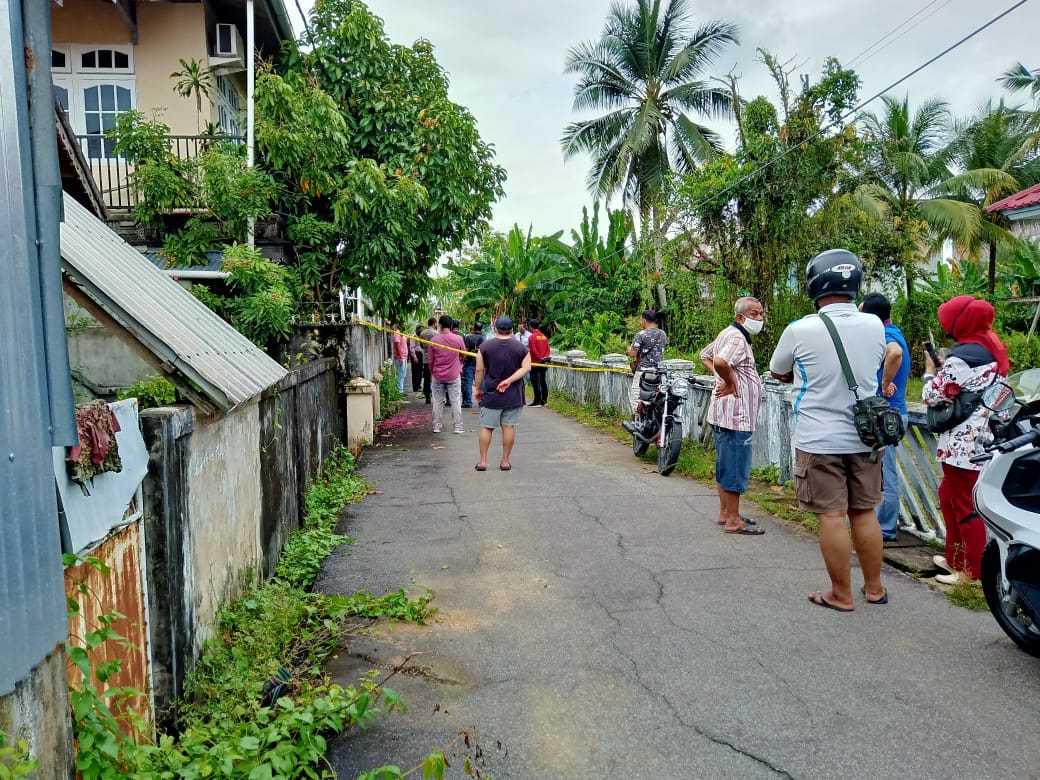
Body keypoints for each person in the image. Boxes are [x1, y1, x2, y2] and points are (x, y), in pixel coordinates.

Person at [769, 249, 888, 611]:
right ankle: (874, 589)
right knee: (864, 512)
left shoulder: (800, 329)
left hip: (819, 438)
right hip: (866, 437)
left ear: (815, 285)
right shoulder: (875, 325)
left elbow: (778, 370)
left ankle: (841, 594)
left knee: (832, 515)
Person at [923, 295, 1009, 585]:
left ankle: (972, 573)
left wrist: (930, 372)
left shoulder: (962, 357)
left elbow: (932, 394)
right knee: (949, 497)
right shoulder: (991, 347)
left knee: (964, 505)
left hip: (963, 443)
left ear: (959, 322)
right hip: (983, 436)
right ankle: (955, 558)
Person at [699, 297, 766, 536]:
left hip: (723, 413)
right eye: (754, 314)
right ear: (740, 317)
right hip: (736, 415)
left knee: (725, 464)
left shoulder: (727, 333)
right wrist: (728, 380)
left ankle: (726, 512)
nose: (760, 319)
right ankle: (734, 521)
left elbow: (705, 355)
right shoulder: (737, 338)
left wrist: (723, 376)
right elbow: (719, 361)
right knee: (735, 466)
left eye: (761, 314)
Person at [859, 293, 911, 542]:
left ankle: (885, 528)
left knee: (885, 473)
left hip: (887, 416)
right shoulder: (892, 331)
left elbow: (895, 353)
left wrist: (884, 383)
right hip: (888, 414)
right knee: (879, 471)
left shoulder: (887, 336)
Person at [475, 316, 531, 471]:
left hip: (492, 393)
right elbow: (527, 367)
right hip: (513, 394)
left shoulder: (485, 347)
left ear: (495, 329)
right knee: (508, 427)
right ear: (512, 329)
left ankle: (483, 462)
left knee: (487, 427)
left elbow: (479, 370)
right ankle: (505, 461)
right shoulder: (521, 348)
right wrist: (509, 380)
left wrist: (478, 389)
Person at [428, 314, 466, 434]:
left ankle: (436, 426)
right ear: (451, 325)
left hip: (438, 375)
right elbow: (463, 354)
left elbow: (430, 360)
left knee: (437, 401)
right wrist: (459, 362)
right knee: (455, 401)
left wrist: (432, 372)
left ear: (439, 325)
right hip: (453, 374)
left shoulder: (434, 340)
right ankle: (458, 427)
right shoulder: (458, 339)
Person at [626, 309, 667, 416]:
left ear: (644, 321)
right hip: (658, 373)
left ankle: (637, 418)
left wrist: (629, 349)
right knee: (656, 397)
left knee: (636, 396)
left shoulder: (641, 334)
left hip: (643, 372)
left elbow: (632, 354)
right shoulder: (662, 334)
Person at [526, 318, 551, 407]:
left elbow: (533, 349)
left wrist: (539, 358)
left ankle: (537, 401)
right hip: (543, 363)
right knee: (542, 381)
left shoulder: (532, 337)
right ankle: (544, 400)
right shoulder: (544, 336)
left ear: (530, 327)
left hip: (535, 363)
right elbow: (548, 349)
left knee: (535, 382)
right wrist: (544, 358)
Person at [461, 322, 485, 409]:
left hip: (469, 363)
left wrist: (463, 360)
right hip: (481, 364)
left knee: (468, 383)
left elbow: (465, 351)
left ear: (474, 328)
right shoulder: (484, 339)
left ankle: (468, 402)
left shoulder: (468, 338)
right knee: (481, 382)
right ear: (481, 329)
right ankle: (482, 401)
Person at [419, 317, 438, 404]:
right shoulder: (437, 333)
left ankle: (427, 397)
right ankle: (437, 397)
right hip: (436, 358)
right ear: (434, 324)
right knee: (437, 378)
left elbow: (421, 346)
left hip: (426, 358)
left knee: (426, 378)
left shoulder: (422, 333)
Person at [391, 324, 409, 394]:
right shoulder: (397, 333)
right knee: (401, 374)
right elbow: (397, 345)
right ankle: (399, 391)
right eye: (404, 324)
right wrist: (401, 357)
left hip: (404, 357)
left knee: (403, 374)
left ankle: (401, 390)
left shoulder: (401, 333)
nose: (405, 325)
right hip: (400, 357)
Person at [409, 326, 424, 394]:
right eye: (420, 329)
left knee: (420, 371)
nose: (421, 331)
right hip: (415, 354)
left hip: (420, 354)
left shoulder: (421, 337)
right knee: (415, 371)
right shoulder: (413, 337)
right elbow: (411, 348)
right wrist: (414, 356)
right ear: (417, 330)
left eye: (422, 329)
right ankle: (415, 387)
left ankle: (419, 385)